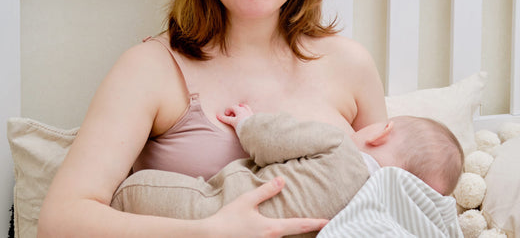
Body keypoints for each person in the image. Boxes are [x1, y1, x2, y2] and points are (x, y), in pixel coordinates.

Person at [37, 0, 387, 237]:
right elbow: (60, 221)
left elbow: (394, 197)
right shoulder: (150, 69)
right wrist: (206, 231)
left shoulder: (350, 64)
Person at [111, 104, 464, 228]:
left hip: (229, 203)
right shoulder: (373, 209)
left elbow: (279, 139)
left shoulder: (341, 145)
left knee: (142, 192)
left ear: (381, 133)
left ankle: (121, 200)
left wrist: (248, 123)